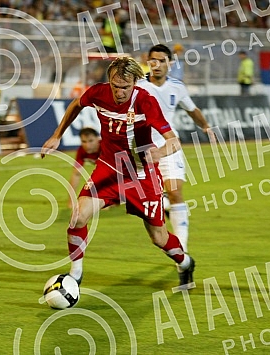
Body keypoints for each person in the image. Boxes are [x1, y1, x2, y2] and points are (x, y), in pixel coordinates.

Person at [41, 56, 195, 288]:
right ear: (109, 81)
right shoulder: (98, 93)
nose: (120, 92)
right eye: (115, 86)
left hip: (142, 175)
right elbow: (76, 105)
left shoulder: (146, 101)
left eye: (125, 87)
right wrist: (57, 135)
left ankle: (185, 262)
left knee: (158, 238)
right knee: (78, 217)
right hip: (109, 168)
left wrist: (160, 153)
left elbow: (173, 141)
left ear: (135, 83)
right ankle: (75, 275)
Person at [136, 44, 213, 285]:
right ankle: (164, 207)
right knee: (148, 204)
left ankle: (182, 251)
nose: (156, 64)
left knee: (175, 191)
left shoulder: (177, 87)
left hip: (168, 148)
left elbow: (192, 109)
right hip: (141, 151)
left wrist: (207, 127)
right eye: (152, 60)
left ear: (170, 63)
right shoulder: (137, 86)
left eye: (161, 60)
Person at [68, 127, 101, 208]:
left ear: (98, 139)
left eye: (91, 141)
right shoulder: (82, 151)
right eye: (84, 141)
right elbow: (76, 174)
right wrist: (71, 201)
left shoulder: (106, 147)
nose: (87, 145)